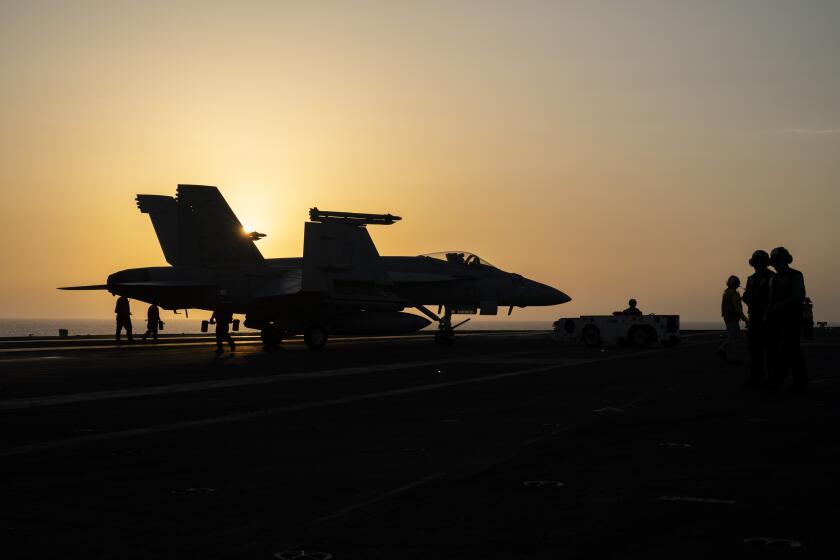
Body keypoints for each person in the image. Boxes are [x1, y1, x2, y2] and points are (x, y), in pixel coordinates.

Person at [767, 247, 807, 392]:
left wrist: (780, 306)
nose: (776, 265)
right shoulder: (774, 278)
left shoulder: (796, 275)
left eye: (778, 261)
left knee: (788, 349)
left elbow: (798, 296)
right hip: (777, 320)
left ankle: (779, 381)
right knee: (791, 351)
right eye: (775, 262)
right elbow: (771, 300)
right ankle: (798, 382)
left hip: (792, 319)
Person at [741, 250, 774, 386]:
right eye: (756, 263)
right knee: (754, 349)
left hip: (769, 317)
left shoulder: (773, 277)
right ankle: (756, 377)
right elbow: (748, 297)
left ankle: (771, 379)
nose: (757, 265)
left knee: (771, 350)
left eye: (759, 262)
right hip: (755, 317)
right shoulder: (751, 279)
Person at [719, 275, 748, 364]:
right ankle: (731, 356)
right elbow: (737, 309)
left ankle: (725, 351)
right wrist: (745, 319)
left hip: (727, 317)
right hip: (733, 317)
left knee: (733, 337)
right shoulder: (734, 294)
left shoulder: (726, 292)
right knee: (734, 338)